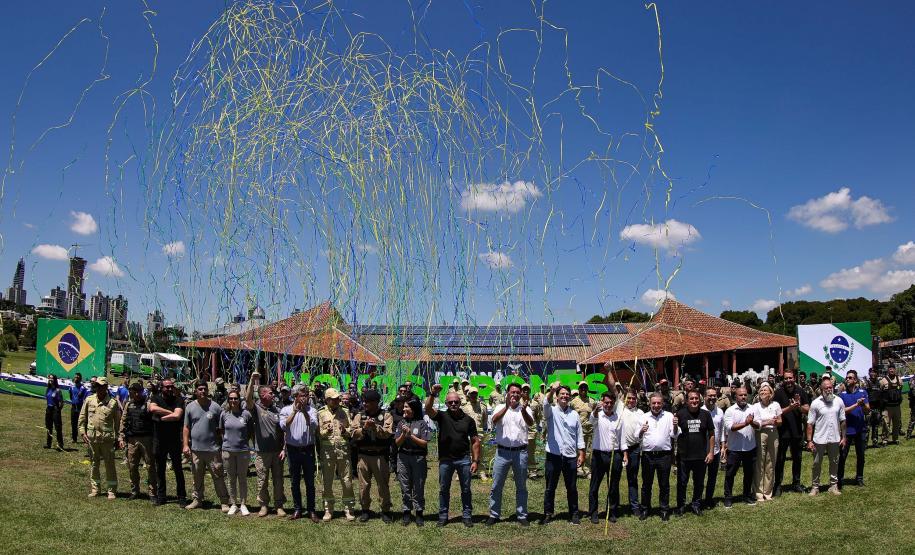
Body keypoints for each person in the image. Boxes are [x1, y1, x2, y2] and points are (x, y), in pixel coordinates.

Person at [425, 383, 481, 528]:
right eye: (450, 402)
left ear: (460, 402)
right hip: (446, 460)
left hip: (464, 459)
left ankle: (467, 515)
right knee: (444, 489)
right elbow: (428, 409)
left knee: (466, 489)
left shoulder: (468, 420)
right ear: (446, 404)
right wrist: (432, 394)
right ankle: (443, 516)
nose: (454, 404)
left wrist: (475, 461)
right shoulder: (442, 416)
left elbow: (475, 441)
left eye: (456, 402)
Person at [487, 383, 533, 526]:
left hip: (520, 453)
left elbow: (530, 423)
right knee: (496, 485)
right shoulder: (500, 407)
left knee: (521, 486)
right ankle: (494, 514)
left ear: (521, 394)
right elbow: (494, 420)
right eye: (512, 392)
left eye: (518, 392)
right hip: (502, 453)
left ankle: (522, 515)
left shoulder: (526, 408)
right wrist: (507, 407)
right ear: (507, 393)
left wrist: (524, 411)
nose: (515, 394)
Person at [541, 383, 585, 525]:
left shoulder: (574, 414)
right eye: (562, 394)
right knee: (550, 487)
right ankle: (548, 513)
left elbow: (579, 434)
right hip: (553, 455)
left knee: (571, 487)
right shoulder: (551, 411)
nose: (565, 396)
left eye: (567, 394)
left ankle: (574, 513)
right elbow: (545, 403)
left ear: (570, 397)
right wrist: (552, 390)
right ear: (557, 397)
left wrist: (581, 453)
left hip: (570, 456)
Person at [183, 381, 230, 511]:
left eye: (205, 389)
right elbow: (186, 427)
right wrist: (185, 445)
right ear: (195, 391)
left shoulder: (215, 407)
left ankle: (224, 502)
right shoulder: (190, 407)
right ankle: (197, 500)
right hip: (196, 450)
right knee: (197, 477)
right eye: (200, 389)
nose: (203, 391)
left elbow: (221, 428)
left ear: (208, 391)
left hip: (213, 450)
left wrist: (223, 444)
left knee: (218, 476)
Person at [245, 371, 287, 517]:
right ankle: (263, 505)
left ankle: (279, 505)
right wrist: (252, 380)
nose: (273, 395)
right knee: (262, 480)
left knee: (278, 480)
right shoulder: (256, 409)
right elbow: (248, 398)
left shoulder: (277, 410)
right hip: (262, 453)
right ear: (262, 395)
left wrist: (284, 448)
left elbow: (284, 432)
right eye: (270, 393)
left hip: (277, 452)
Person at [351, 389, 394, 523]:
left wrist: (375, 427)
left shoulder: (386, 415)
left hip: (380, 455)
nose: (365, 404)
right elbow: (353, 433)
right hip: (363, 456)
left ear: (376, 402)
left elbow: (387, 433)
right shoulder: (359, 415)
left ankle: (385, 510)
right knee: (363, 485)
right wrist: (364, 429)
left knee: (383, 485)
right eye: (364, 401)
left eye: (368, 402)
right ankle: (365, 509)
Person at [279, 384, 319, 522]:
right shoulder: (285, 410)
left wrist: (304, 412)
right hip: (293, 450)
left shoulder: (312, 410)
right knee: (294, 481)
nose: (305, 398)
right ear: (295, 396)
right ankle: (297, 509)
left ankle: (311, 510)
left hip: (308, 450)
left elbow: (313, 426)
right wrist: (295, 412)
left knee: (310, 482)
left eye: (306, 395)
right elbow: (284, 426)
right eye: (302, 395)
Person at [587, 389, 627, 523]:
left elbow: (622, 438)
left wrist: (625, 454)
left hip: (615, 455)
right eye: (606, 402)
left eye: (611, 403)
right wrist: (595, 411)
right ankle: (593, 512)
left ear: (614, 403)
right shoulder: (597, 415)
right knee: (594, 485)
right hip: (599, 455)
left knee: (614, 485)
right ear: (602, 402)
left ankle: (612, 511)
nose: (608, 405)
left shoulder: (618, 418)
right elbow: (591, 421)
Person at [78, 377, 121, 499]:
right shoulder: (89, 400)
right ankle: (95, 489)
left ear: (106, 387)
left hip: (107, 440)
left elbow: (117, 423)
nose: (99, 388)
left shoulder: (112, 403)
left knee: (110, 465)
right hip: (92, 439)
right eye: (97, 386)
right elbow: (82, 417)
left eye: (102, 386)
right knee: (94, 464)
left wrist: (118, 438)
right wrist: (82, 432)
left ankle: (111, 490)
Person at [317, 387, 356, 521]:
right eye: (333, 399)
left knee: (347, 480)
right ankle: (328, 509)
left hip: (343, 450)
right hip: (327, 452)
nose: (337, 401)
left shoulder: (345, 411)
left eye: (337, 398)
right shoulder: (321, 413)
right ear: (327, 400)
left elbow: (351, 430)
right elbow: (319, 434)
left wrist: (345, 430)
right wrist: (326, 432)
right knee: (327, 481)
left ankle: (349, 509)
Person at [638, 392, 678, 521]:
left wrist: (675, 425)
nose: (656, 405)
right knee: (646, 484)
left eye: (658, 403)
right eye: (654, 403)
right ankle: (645, 509)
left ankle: (664, 509)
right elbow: (636, 436)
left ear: (663, 404)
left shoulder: (669, 416)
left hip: (664, 455)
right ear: (649, 403)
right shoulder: (644, 417)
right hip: (648, 456)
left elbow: (675, 435)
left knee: (664, 484)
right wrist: (641, 431)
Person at [148, 378, 187, 506]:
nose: (170, 389)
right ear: (161, 388)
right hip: (159, 439)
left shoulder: (179, 400)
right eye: (167, 387)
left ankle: (181, 496)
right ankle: (161, 496)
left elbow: (177, 416)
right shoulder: (156, 398)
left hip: (174, 439)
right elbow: (152, 409)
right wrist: (170, 412)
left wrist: (161, 418)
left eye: (171, 386)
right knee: (160, 469)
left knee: (178, 469)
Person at [674, 390, 713, 516]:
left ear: (700, 400)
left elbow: (711, 434)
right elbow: (674, 434)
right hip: (684, 456)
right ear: (686, 400)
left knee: (699, 483)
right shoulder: (680, 414)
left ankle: (696, 504)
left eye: (696, 398)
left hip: (701, 456)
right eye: (691, 398)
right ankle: (681, 506)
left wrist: (711, 452)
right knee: (682, 483)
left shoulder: (706, 414)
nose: (694, 401)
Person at [807, 376, 846, 496]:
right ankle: (815, 487)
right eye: (826, 388)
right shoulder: (815, 403)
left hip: (835, 438)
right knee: (816, 464)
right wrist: (809, 441)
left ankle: (833, 486)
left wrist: (844, 437)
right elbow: (810, 423)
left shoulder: (839, 401)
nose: (829, 390)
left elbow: (843, 420)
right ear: (821, 389)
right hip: (819, 439)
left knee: (834, 462)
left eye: (830, 387)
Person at [395, 397, 431, 527]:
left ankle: (419, 511)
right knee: (405, 485)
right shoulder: (401, 423)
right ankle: (406, 510)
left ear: (413, 409)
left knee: (418, 485)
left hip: (418, 458)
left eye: (406, 407)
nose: (404, 409)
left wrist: (411, 436)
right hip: (403, 457)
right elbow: (397, 443)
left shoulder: (422, 423)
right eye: (404, 407)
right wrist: (403, 435)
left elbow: (424, 443)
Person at [772, 369, 809, 495]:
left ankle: (796, 483)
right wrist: (790, 407)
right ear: (783, 380)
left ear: (794, 378)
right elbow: (775, 412)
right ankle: (777, 485)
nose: (788, 380)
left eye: (790, 378)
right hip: (782, 432)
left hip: (797, 431)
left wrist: (798, 406)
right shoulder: (778, 393)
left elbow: (807, 409)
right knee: (780, 459)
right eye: (786, 378)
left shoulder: (800, 391)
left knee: (797, 459)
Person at [118, 382, 157, 501]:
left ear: (141, 391)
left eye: (137, 392)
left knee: (150, 466)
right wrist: (121, 437)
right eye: (133, 392)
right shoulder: (128, 405)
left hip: (146, 439)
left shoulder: (148, 404)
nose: (136, 394)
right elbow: (123, 421)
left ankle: (152, 492)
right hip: (132, 440)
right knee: (132, 466)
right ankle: (135, 491)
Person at [723, 387, 759, 508]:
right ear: (735, 397)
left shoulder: (752, 408)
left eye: (745, 395)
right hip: (734, 448)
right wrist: (746, 423)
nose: (743, 397)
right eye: (740, 395)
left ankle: (746, 495)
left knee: (749, 473)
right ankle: (728, 497)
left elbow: (759, 425)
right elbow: (730, 427)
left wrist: (752, 422)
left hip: (750, 447)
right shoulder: (730, 410)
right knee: (730, 474)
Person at [221, 389, 252, 516]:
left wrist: (244, 443)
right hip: (228, 451)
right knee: (231, 478)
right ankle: (233, 504)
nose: (233, 401)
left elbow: (250, 431)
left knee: (242, 478)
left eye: (235, 398)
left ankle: (243, 504)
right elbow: (221, 430)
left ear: (239, 400)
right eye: (231, 398)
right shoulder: (224, 414)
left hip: (243, 451)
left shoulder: (246, 414)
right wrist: (226, 442)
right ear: (228, 400)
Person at [837, 369, 869, 489]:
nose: (847, 379)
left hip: (860, 429)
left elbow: (867, 410)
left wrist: (863, 405)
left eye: (850, 377)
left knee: (861, 455)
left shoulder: (863, 393)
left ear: (855, 380)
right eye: (847, 377)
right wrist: (856, 405)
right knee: (842, 456)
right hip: (847, 430)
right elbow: (842, 411)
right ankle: (839, 479)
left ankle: (859, 478)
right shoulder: (842, 395)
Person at [752, 382, 782, 501]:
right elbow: (755, 423)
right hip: (760, 433)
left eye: (765, 390)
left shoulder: (776, 405)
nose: (763, 392)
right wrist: (768, 422)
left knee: (771, 462)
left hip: (773, 433)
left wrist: (775, 421)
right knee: (760, 462)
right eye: (761, 391)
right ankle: (758, 492)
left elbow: (780, 421)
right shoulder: (756, 406)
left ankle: (768, 492)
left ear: (771, 393)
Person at [701, 387, 726, 509]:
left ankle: (709, 499)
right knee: (700, 477)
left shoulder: (720, 412)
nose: (712, 398)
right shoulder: (699, 411)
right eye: (709, 395)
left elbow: (722, 430)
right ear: (704, 397)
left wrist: (723, 446)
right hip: (701, 450)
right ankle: (698, 500)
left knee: (712, 477)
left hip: (715, 450)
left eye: (714, 395)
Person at [461, 386, 489, 480]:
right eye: (472, 393)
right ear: (468, 395)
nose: (473, 395)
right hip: (467, 433)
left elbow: (484, 420)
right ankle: (465, 472)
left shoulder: (482, 406)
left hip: (478, 433)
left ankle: (481, 472)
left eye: (475, 393)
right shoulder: (464, 407)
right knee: (466, 453)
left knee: (480, 453)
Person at [879, 365, 903, 444]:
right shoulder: (883, 380)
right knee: (886, 423)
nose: (891, 370)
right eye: (890, 369)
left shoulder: (899, 379)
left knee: (896, 423)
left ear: (895, 370)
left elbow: (900, 390)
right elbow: (880, 392)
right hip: (887, 407)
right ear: (888, 370)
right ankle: (885, 439)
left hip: (896, 406)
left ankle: (895, 438)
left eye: (893, 369)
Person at [863, 367, 885, 447]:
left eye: (874, 372)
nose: (873, 374)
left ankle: (875, 442)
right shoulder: (865, 383)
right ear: (869, 373)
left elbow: (882, 394)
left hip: (877, 408)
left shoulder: (879, 383)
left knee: (875, 426)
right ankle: (865, 444)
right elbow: (863, 395)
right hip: (869, 408)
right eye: (871, 372)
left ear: (877, 374)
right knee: (867, 426)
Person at [44, 374, 64, 450]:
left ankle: (60, 445)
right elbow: (47, 399)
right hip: (48, 409)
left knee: (58, 428)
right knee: (48, 427)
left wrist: (58, 410)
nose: (50, 379)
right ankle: (48, 444)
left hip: (55, 409)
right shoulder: (48, 389)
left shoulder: (58, 390)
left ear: (55, 380)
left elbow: (61, 402)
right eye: (49, 378)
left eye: (52, 378)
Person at [69, 372, 88, 446]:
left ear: (80, 379)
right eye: (75, 377)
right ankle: (74, 439)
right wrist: (74, 402)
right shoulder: (71, 387)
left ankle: (85, 439)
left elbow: (85, 398)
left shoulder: (83, 388)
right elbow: (71, 396)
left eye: (77, 377)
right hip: (74, 407)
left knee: (83, 423)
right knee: (73, 423)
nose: (76, 378)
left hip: (80, 408)